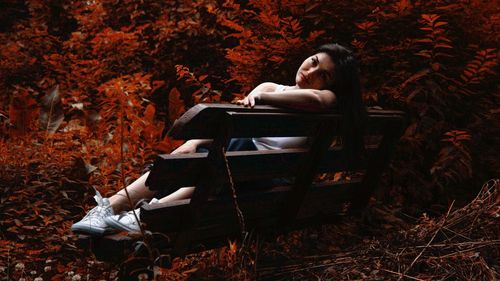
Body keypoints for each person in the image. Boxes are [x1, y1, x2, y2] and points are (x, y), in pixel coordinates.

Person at [71, 43, 366, 236]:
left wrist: (263, 97)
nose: (311, 72)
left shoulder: (321, 99)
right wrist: (265, 92)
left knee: (214, 156)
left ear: (333, 86)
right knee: (198, 150)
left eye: (323, 75)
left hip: (258, 178)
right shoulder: (271, 85)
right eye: (313, 61)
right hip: (228, 169)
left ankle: (134, 214)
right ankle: (122, 211)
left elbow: (318, 98)